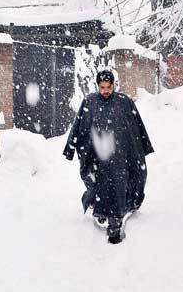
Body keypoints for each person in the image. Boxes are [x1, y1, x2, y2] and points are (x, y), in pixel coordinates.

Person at [63, 70, 154, 244]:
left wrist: (143, 146)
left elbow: (136, 126)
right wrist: (70, 148)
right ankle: (101, 212)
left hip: (120, 156)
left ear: (114, 85)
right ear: (98, 86)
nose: (105, 90)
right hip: (97, 156)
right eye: (102, 87)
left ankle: (115, 221)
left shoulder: (124, 102)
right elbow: (79, 126)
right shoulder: (90, 102)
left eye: (108, 87)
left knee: (119, 186)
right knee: (99, 185)